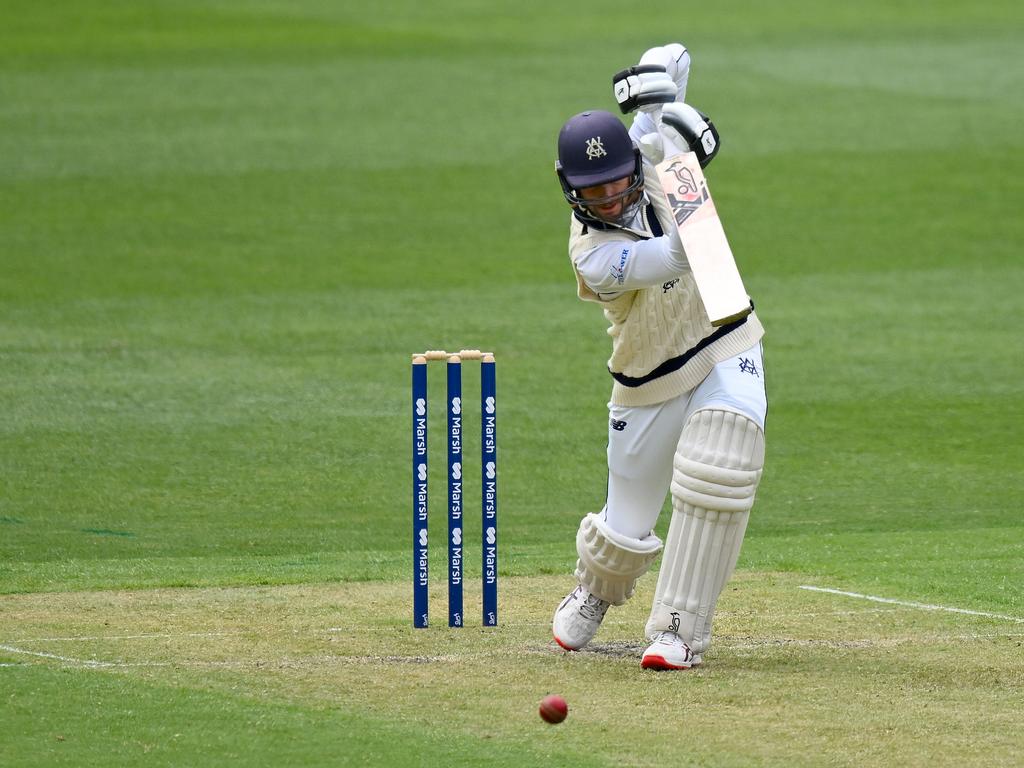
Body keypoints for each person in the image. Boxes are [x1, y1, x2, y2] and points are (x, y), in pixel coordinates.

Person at [551, 42, 768, 670]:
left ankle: (678, 629)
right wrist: (684, 158)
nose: (613, 197)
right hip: (650, 373)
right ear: (573, 193)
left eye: (619, 180)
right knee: (627, 522)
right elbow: (682, 251)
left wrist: (660, 97)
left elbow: (671, 58)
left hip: (726, 328)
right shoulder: (593, 254)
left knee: (722, 466)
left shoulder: (645, 154)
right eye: (595, 191)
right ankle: (595, 589)